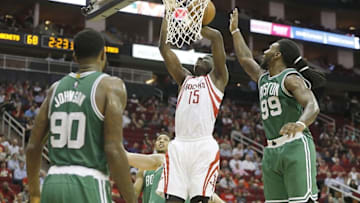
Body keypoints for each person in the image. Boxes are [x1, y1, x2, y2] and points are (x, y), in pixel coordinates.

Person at [26, 29, 136, 203]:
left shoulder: (55, 89)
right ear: (103, 54)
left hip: (52, 182)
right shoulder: (111, 86)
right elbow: (113, 150)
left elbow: (33, 146)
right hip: (88, 182)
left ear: (74, 57)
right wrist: (132, 200)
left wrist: (34, 193)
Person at [230, 8, 324, 203]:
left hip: (295, 145)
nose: (265, 51)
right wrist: (235, 32)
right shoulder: (263, 78)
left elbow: (312, 105)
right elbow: (245, 59)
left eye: (270, 48)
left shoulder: (290, 78)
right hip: (271, 151)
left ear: (277, 55)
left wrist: (300, 124)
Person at [156, 12, 228, 203]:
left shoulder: (218, 79)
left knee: (200, 200)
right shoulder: (184, 79)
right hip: (178, 145)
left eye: (205, 57)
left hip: (203, 145)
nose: (199, 59)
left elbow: (217, 38)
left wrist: (191, 22)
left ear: (214, 64)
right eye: (197, 58)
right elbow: (164, 49)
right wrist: (168, 19)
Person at [127, 134, 224, 203]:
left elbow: (210, 195)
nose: (161, 141)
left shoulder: (180, 166)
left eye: (165, 139)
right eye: (159, 139)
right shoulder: (144, 168)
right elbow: (134, 192)